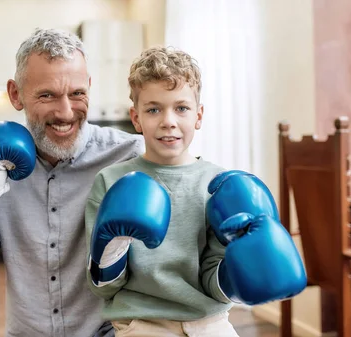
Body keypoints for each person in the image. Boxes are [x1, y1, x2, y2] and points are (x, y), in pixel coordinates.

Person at [84, 47, 306, 336]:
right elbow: (104, 287)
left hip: (210, 324)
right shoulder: (112, 181)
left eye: (182, 108)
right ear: (136, 118)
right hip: (143, 324)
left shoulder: (220, 184)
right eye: (153, 109)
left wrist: (233, 278)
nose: (168, 121)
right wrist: (113, 244)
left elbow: (213, 284)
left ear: (198, 115)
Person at [0, 28, 144, 337]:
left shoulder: (130, 156)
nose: (66, 112)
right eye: (47, 95)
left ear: (89, 88)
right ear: (16, 94)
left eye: (77, 94)